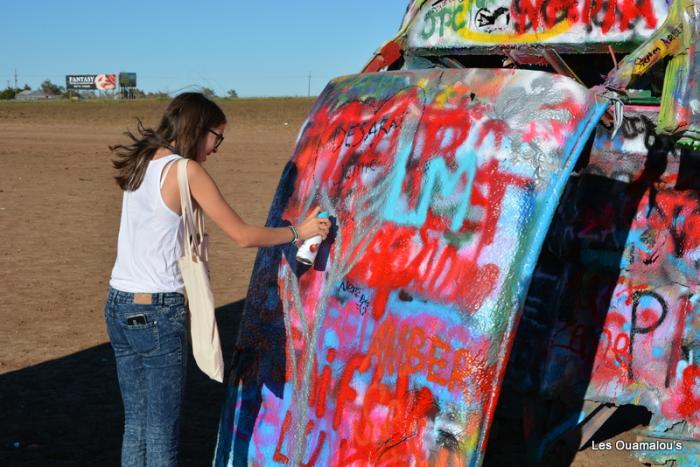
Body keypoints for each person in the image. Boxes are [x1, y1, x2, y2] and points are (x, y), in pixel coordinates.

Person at [104, 92, 330, 466]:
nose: (216, 148)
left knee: (137, 425)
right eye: (217, 137)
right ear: (199, 129)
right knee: (161, 432)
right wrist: (298, 231)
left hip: (118, 304)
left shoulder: (143, 161)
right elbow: (242, 235)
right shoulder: (185, 171)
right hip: (157, 311)